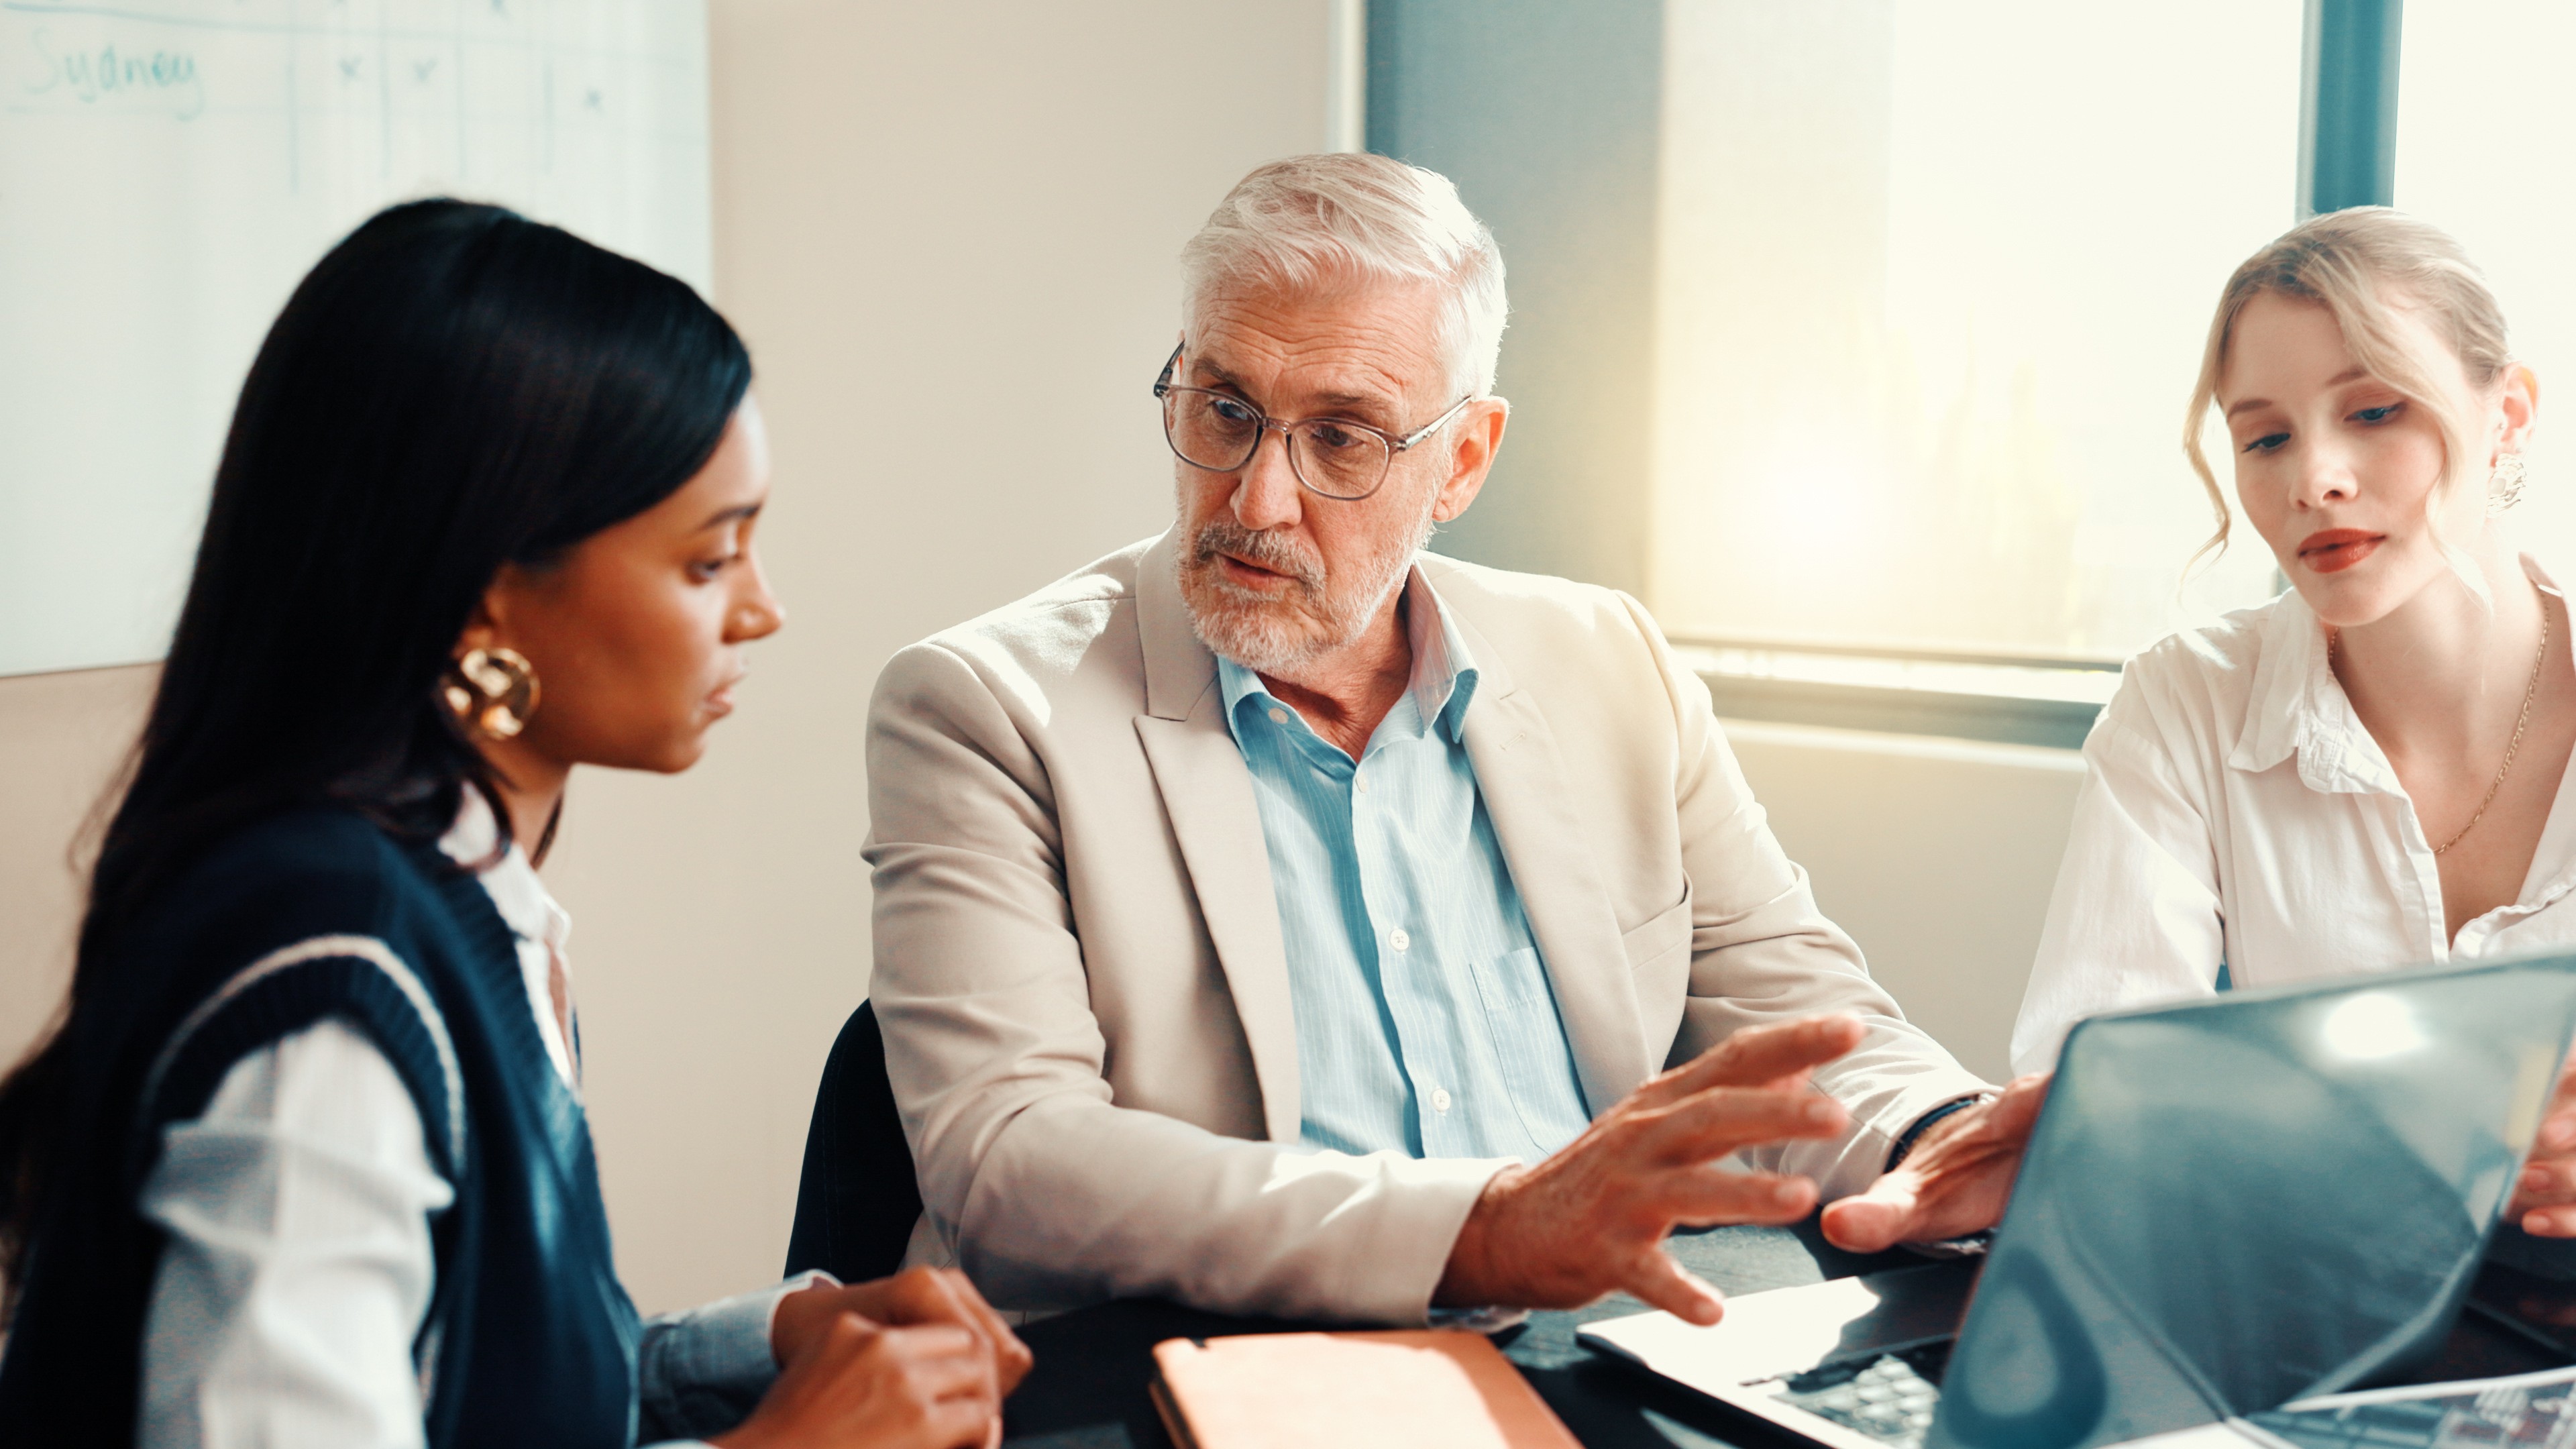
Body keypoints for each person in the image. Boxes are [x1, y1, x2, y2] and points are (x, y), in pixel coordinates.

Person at [859, 153, 2042, 1330]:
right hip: (1228, 1358)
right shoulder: (984, 708)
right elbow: (1011, 1162)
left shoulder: (1610, 663)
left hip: (1596, 1351)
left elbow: (1797, 1024)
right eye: (1225, 409)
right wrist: (1487, 1228)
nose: (1258, 500)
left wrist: (1940, 1134)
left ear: (1463, 461)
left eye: (1343, 437)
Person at [0, 201, 1027, 1448]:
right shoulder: (335, 986)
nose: (762, 611)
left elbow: (473, 1394)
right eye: (710, 561)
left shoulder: (460, 885)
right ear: (490, 586)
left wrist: (761, 1349)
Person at [2012, 207, 2576, 1237]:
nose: (2312, 479)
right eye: (2265, 436)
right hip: (2305, 1305)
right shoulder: (2185, 702)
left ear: (2511, 415)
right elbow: (2091, 1110)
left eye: (2373, 413)